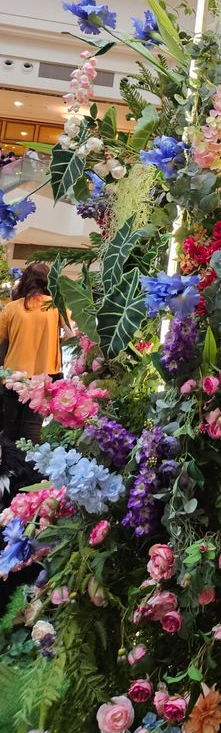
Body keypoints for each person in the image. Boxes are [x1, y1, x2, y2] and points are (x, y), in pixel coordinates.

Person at [0, 262, 63, 614]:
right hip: (42, 380)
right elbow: (60, 341)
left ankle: (6, 494)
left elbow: (1, 341)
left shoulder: (12, 309)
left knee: (8, 436)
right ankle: (28, 494)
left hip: (12, 379)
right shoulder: (54, 308)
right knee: (31, 439)